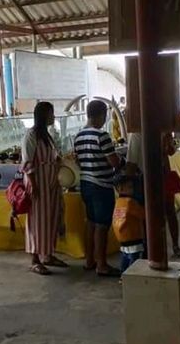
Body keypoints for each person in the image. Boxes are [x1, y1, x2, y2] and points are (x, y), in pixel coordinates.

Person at [74, 100, 121, 277]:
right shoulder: (102, 136)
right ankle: (102, 264)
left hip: (85, 183)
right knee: (102, 225)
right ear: (101, 115)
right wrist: (123, 161)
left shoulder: (79, 136)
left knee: (91, 223)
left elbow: (78, 161)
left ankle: (89, 261)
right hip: (101, 185)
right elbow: (114, 162)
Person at [125, 131, 180, 259]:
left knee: (157, 213)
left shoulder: (139, 134)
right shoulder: (140, 133)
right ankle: (159, 247)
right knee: (160, 213)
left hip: (154, 176)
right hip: (154, 176)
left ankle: (159, 247)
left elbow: (131, 164)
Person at [21, 101, 66, 275]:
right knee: (37, 221)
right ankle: (35, 259)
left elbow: (54, 156)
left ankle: (48, 254)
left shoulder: (47, 136)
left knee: (51, 219)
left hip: (51, 183)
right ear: (44, 115)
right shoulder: (31, 135)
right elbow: (27, 161)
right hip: (38, 182)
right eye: (51, 113)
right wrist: (33, 184)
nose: (53, 117)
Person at [112, 174, 145, 273]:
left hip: (122, 236)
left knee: (125, 256)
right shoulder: (130, 202)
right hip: (132, 236)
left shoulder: (119, 201)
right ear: (120, 189)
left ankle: (123, 275)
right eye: (130, 187)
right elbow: (143, 215)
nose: (133, 189)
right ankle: (130, 276)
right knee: (134, 259)